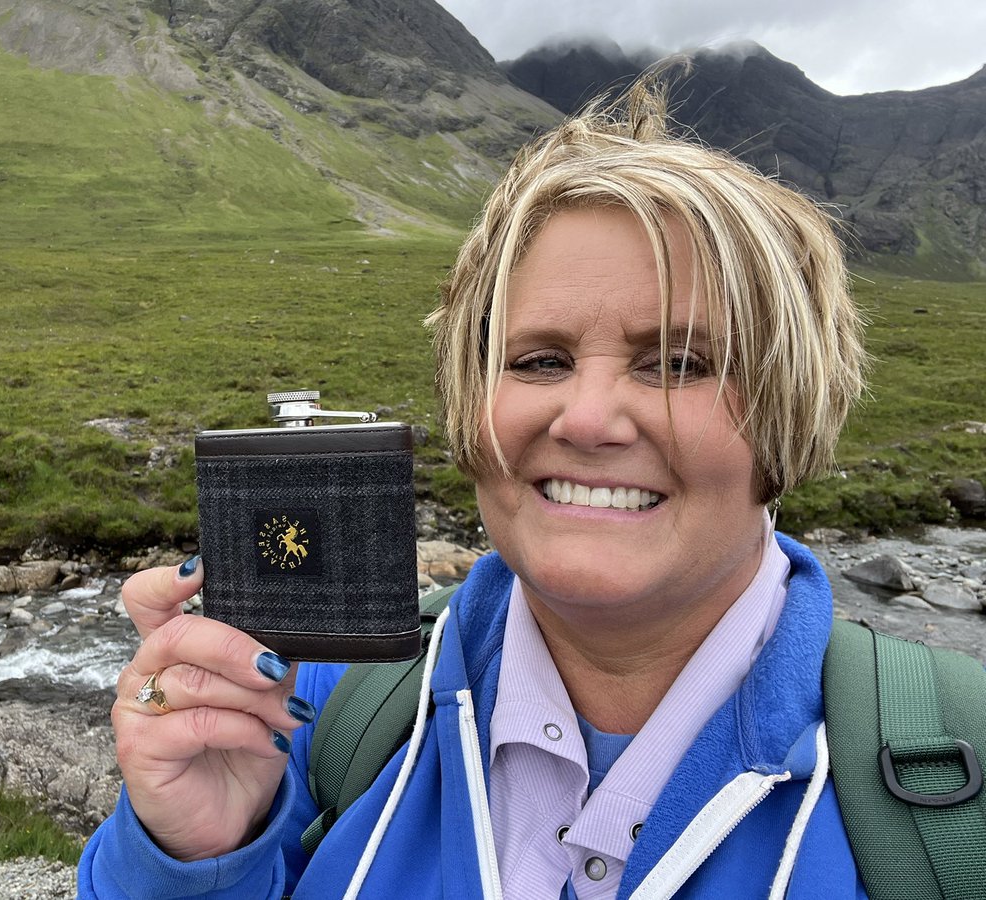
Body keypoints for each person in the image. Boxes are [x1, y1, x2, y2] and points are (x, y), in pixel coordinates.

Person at [78, 73, 868, 899]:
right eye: (539, 361)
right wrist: (195, 858)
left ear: (790, 409)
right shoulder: (317, 701)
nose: (588, 418)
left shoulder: (942, 794)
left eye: (679, 364)